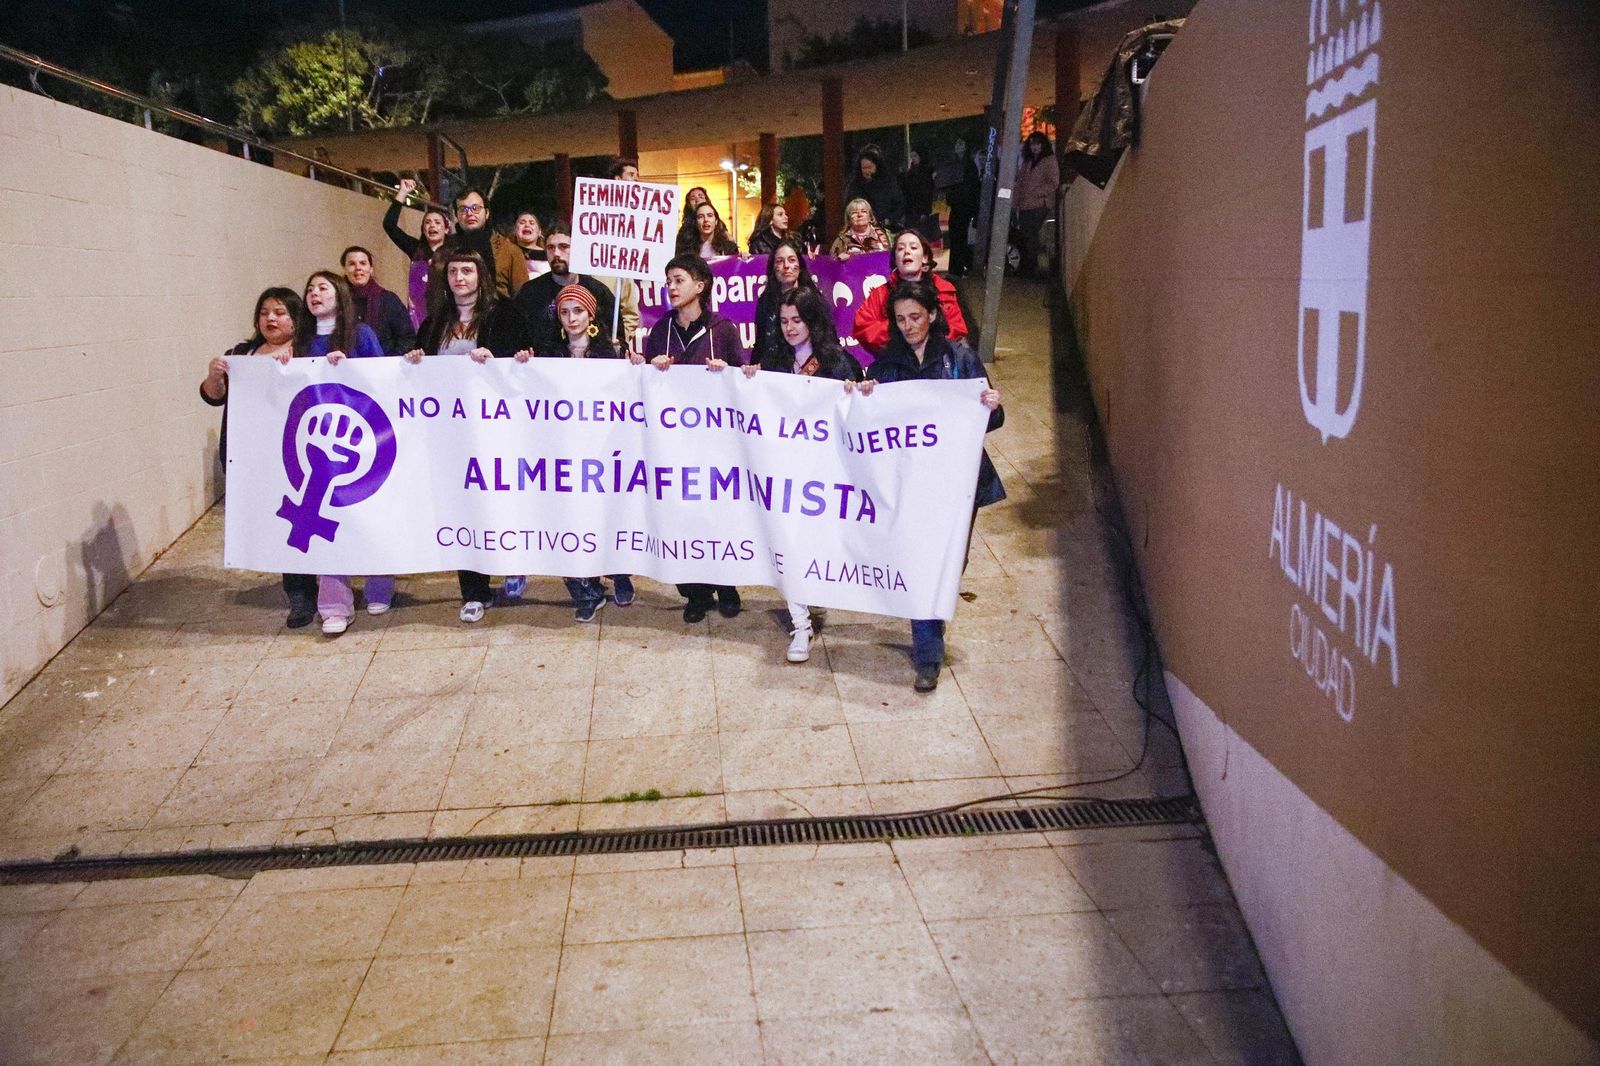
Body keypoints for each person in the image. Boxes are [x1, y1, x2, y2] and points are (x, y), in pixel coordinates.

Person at [854, 279, 1004, 691]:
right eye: (900, 319)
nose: (908, 326)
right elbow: (871, 421)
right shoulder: (885, 365)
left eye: (916, 317)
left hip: (958, 480)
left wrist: (992, 405)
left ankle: (931, 625)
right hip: (911, 481)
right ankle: (928, 652)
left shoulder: (961, 358)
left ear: (933, 316)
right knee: (922, 560)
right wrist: (866, 394)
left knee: (951, 560)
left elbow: (992, 420)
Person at [403, 250, 531, 623]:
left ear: (481, 276)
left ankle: (512, 563)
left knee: (500, 500)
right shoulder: (434, 322)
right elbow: (421, 363)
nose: (460, 277)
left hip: (496, 429)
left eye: (468, 271)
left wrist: (499, 358)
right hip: (451, 434)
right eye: (454, 271)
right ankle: (473, 590)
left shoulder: (504, 313)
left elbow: (523, 363)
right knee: (463, 508)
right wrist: (414, 360)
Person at [741, 288, 864, 663]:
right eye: (784, 321)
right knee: (786, 542)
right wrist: (748, 379)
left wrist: (854, 393)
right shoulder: (774, 361)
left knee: (817, 542)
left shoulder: (838, 362)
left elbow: (859, 412)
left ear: (813, 321)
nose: (791, 328)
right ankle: (800, 624)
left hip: (824, 472)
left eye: (798, 320)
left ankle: (814, 597)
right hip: (783, 470)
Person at [512, 284, 636, 620]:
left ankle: (619, 572)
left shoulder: (609, 352)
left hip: (603, 449)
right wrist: (524, 364)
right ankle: (586, 591)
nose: (571, 318)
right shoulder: (548, 353)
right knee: (569, 518)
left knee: (607, 513)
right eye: (565, 312)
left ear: (591, 314)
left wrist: (634, 366)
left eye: (578, 311)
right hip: (563, 452)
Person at [200, 287, 317, 629]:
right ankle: (295, 588)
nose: (271, 319)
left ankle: (306, 592)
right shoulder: (241, 354)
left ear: (295, 318)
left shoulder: (307, 352)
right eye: (265, 312)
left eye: (280, 312)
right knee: (273, 522)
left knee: (299, 521)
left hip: (294, 455)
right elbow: (213, 397)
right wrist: (214, 376)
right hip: (250, 456)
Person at [642, 254, 747, 623]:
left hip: (715, 446)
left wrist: (728, 372)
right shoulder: (659, 331)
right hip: (673, 446)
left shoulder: (724, 330)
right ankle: (696, 593)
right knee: (681, 516)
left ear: (700, 286)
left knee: (717, 517)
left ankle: (728, 586)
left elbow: (744, 383)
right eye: (668, 280)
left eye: (678, 279)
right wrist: (652, 369)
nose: (671, 286)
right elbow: (644, 386)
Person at [300, 271, 391, 635]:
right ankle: (335, 603)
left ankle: (379, 583)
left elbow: (383, 379)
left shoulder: (361, 334)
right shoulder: (302, 340)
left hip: (362, 438)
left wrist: (352, 368)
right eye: (309, 289)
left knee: (369, 513)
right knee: (326, 515)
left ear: (339, 294)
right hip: (318, 443)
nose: (315, 294)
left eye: (322, 288)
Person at [852, 229, 969, 355]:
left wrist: (926, 338)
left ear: (925, 257)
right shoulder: (880, 293)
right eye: (900, 249)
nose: (907, 251)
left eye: (913, 247)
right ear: (895, 260)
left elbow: (956, 329)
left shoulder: (943, 289)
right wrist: (899, 330)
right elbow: (863, 328)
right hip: (894, 364)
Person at [513, 224, 617, 351]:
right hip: (539, 367)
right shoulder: (530, 292)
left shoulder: (598, 291)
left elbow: (617, 337)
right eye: (550, 248)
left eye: (563, 247)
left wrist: (617, 347)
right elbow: (516, 339)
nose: (556, 253)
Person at [597, 157, 643, 354]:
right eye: (631, 175)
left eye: (638, 176)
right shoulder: (598, 211)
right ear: (617, 179)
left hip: (614, 342)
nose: (636, 180)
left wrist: (620, 338)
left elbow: (631, 312)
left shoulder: (642, 215)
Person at [450, 187, 529, 298]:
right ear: (456, 215)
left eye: (475, 208)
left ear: (487, 213)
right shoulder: (445, 251)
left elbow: (522, 298)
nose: (469, 213)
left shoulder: (509, 251)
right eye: (463, 209)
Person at [752, 237, 818, 368]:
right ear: (773, 268)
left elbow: (828, 342)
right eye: (780, 261)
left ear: (800, 266)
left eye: (792, 260)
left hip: (811, 374)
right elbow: (760, 344)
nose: (786, 266)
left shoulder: (815, 300)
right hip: (774, 373)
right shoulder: (765, 302)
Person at [340, 246, 416, 356]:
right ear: (345, 270)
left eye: (363, 263)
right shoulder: (337, 301)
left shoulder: (389, 300)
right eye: (352, 264)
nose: (358, 268)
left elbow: (407, 338)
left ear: (371, 269)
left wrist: (387, 363)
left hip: (384, 367)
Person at [1013, 131, 1060, 277]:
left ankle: (1035, 266)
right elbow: (1019, 184)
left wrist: (1038, 192)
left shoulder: (1049, 160)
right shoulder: (1027, 163)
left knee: (1035, 236)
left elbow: (1053, 182)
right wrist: (1015, 203)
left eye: (1037, 143)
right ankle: (1030, 266)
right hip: (1025, 206)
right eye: (1032, 143)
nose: (1034, 147)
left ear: (1043, 145)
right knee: (1027, 236)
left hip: (1040, 205)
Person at [383, 178, 452, 262]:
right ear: (423, 228)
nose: (432, 225)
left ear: (446, 229)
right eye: (427, 222)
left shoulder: (454, 253)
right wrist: (403, 192)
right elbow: (389, 225)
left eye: (437, 222)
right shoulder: (415, 248)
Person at [941, 139, 981, 276]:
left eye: (961, 144)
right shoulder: (954, 164)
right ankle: (956, 267)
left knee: (961, 237)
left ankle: (961, 266)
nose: (958, 147)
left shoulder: (969, 165)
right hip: (956, 205)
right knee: (955, 236)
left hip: (965, 205)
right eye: (956, 144)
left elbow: (974, 187)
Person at [844, 143, 904, 231]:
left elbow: (899, 205)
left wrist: (889, 220)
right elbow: (849, 207)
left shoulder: (888, 183)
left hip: (886, 228)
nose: (867, 171)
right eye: (864, 168)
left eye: (870, 167)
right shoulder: (854, 186)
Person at [899, 146, 936, 236]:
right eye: (911, 157)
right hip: (911, 212)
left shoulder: (927, 171)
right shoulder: (910, 173)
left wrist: (925, 211)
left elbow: (928, 193)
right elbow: (907, 193)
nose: (913, 159)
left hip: (922, 211)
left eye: (915, 156)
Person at [512, 210, 550, 281]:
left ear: (539, 232)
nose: (527, 225)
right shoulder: (508, 253)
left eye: (532, 223)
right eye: (522, 223)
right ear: (515, 230)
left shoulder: (549, 255)